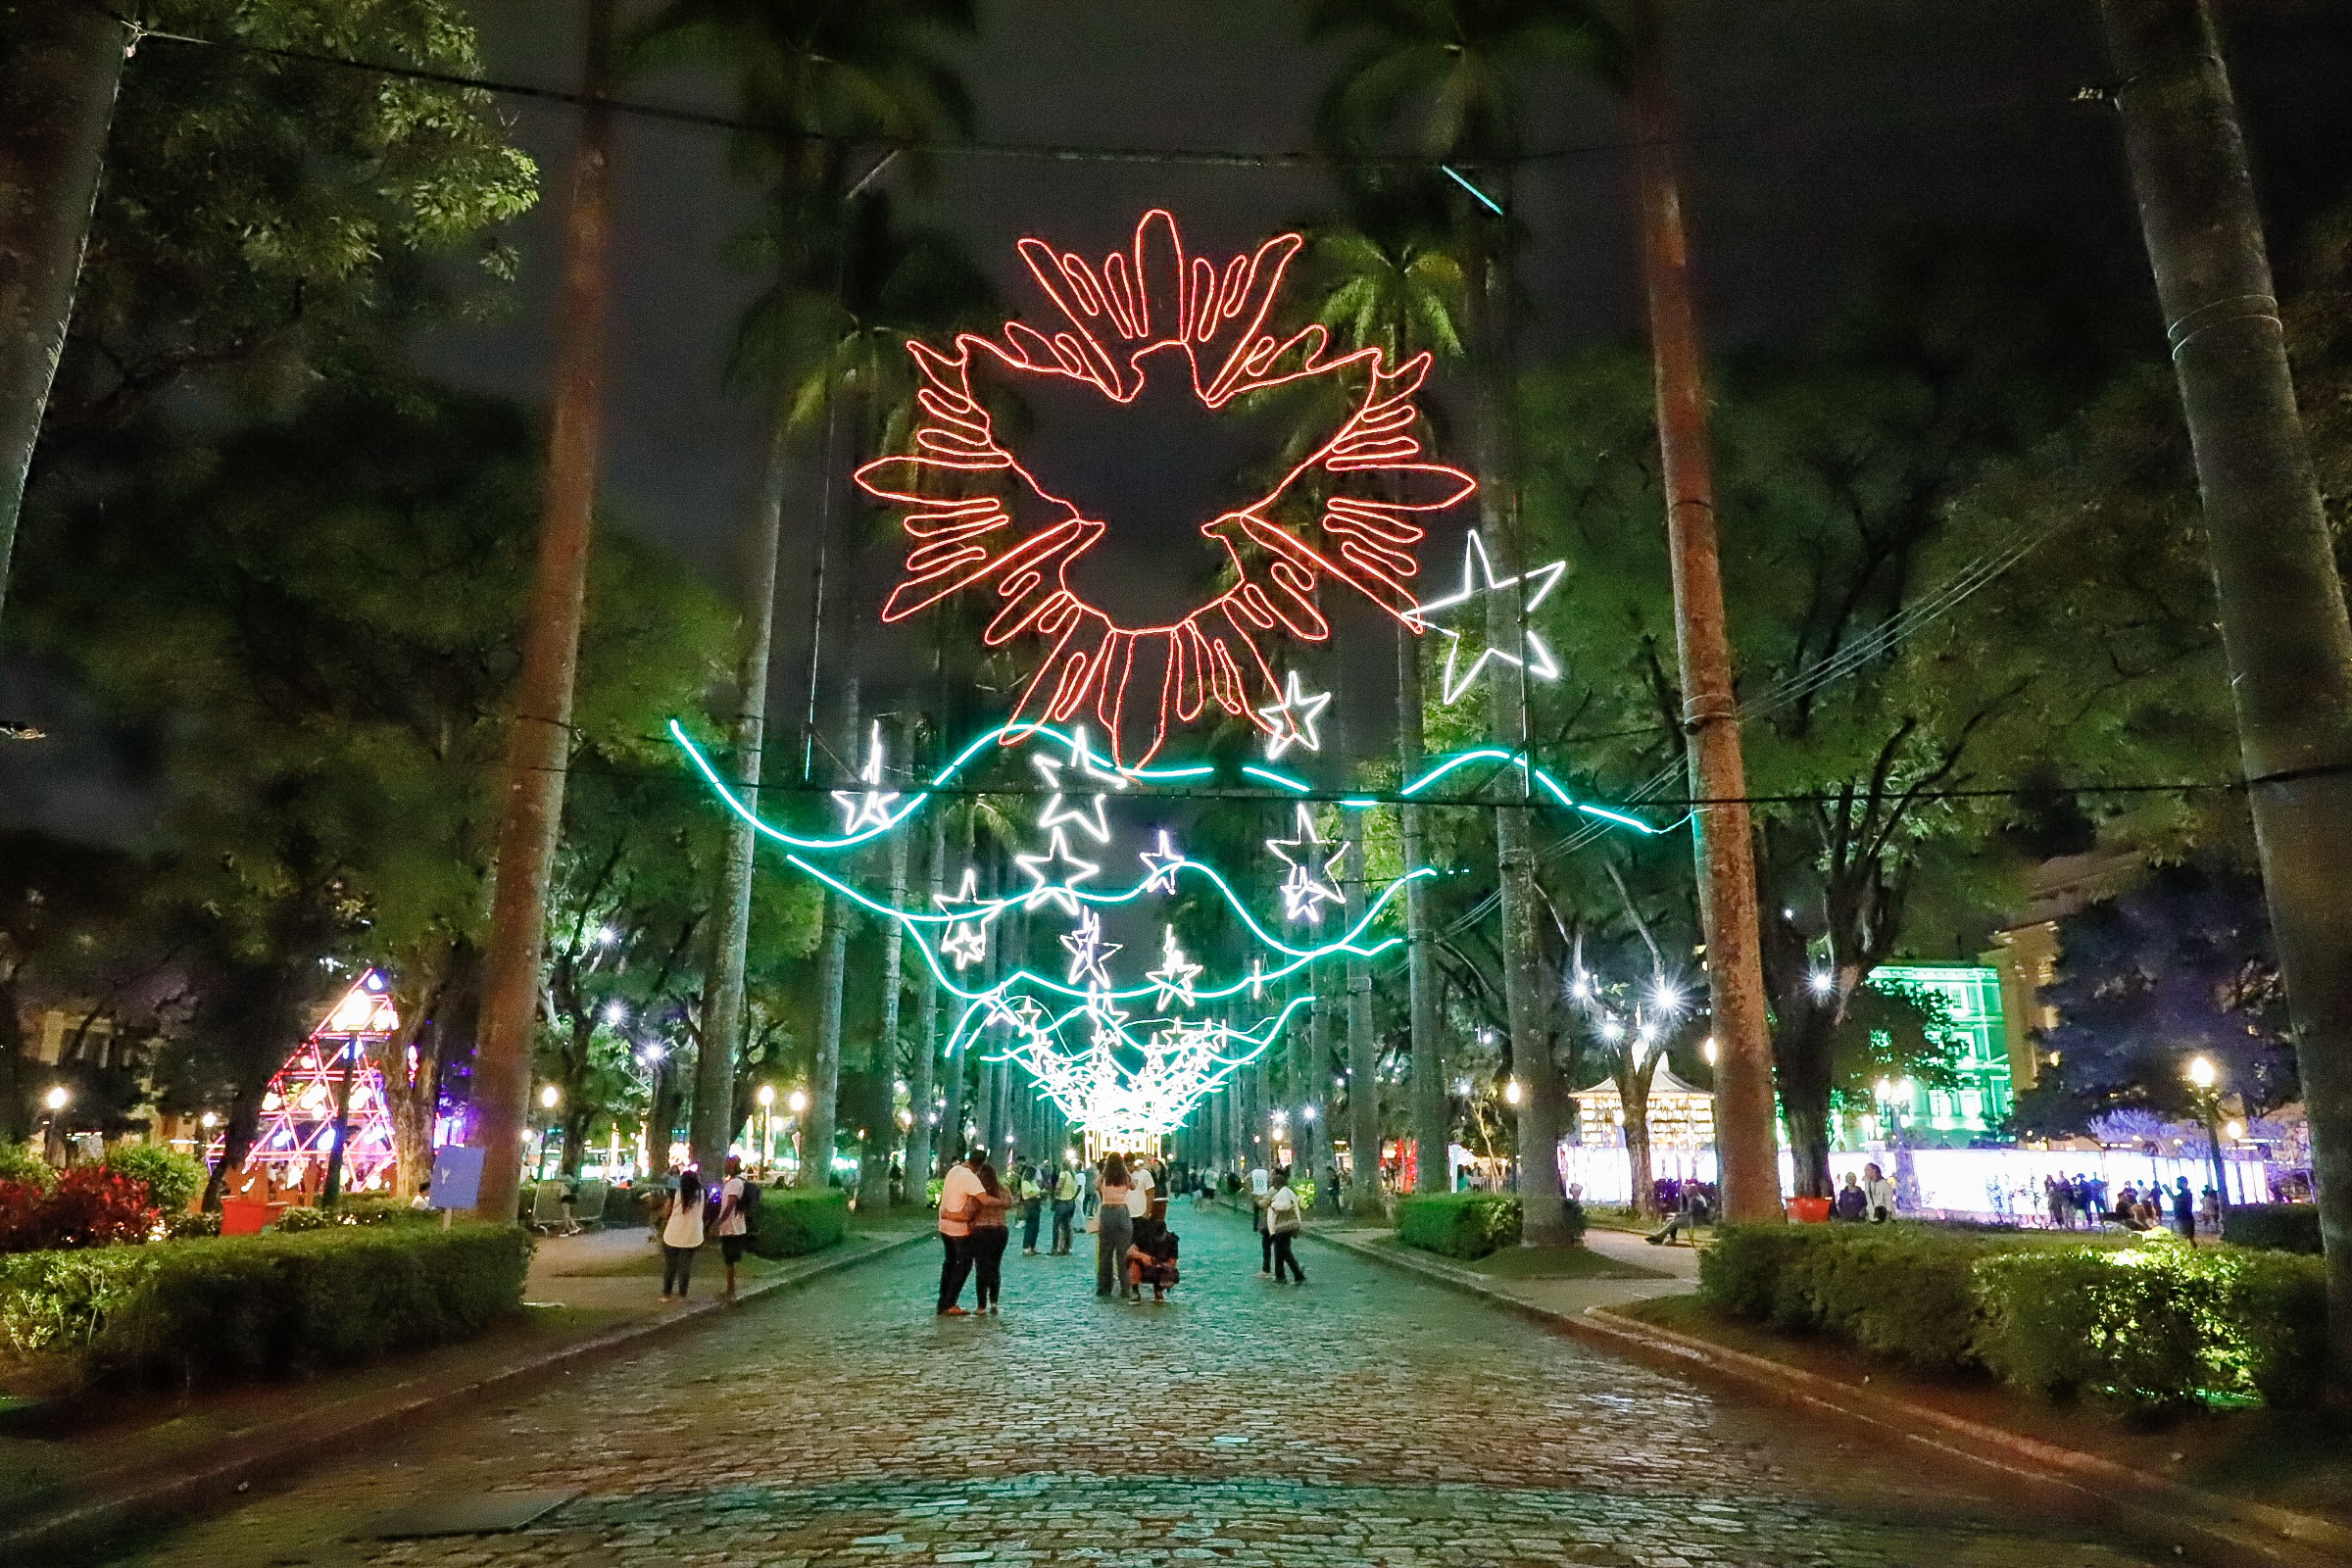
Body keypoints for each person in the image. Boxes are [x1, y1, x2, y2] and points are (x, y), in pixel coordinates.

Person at [937, 1149, 985, 1317]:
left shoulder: (954, 1170)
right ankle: (950, 1302)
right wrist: (1003, 1202)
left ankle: (943, 1302)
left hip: (944, 1226)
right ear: (979, 1165)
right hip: (959, 1229)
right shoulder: (970, 1177)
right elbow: (984, 1198)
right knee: (964, 1265)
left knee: (949, 1263)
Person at [968, 1161, 1012, 1312]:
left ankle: (981, 1305)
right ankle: (994, 1301)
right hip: (1000, 1230)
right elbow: (1009, 1203)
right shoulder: (1003, 1190)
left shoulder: (978, 1193)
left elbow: (970, 1210)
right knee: (995, 1266)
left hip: (980, 1231)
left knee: (981, 1267)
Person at [713, 1155, 756, 1302]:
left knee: (729, 1259)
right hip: (736, 1226)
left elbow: (730, 1203)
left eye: (727, 1164)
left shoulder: (734, 1183)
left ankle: (730, 1290)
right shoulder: (739, 1181)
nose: (725, 1166)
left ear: (733, 1166)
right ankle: (730, 1289)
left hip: (731, 1227)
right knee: (730, 1259)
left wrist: (719, 1221)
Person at [659, 1170, 705, 1301]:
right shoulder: (701, 1194)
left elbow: (666, 1211)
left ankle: (666, 1295)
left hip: (673, 1233)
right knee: (685, 1266)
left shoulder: (676, 1193)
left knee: (670, 1266)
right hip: (692, 1234)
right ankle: (682, 1295)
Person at [1097, 1154, 1135, 1298]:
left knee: (1105, 1253)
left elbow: (1096, 1185)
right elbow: (1133, 1186)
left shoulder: (1104, 1177)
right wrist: (1125, 1168)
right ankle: (1125, 1288)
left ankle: (1104, 1287)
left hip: (1107, 1212)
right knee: (1123, 1253)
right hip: (1121, 1212)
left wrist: (1105, 1170)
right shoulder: (1124, 1177)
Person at [1126, 1214, 1181, 1300]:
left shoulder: (1172, 1241)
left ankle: (1158, 1291)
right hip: (1144, 1267)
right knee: (1134, 1261)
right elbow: (1130, 1252)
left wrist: (1161, 1265)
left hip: (1161, 1268)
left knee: (1170, 1272)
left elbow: (1172, 1264)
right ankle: (1135, 1291)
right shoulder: (1144, 1237)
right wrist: (1143, 1257)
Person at [1264, 1168, 1305, 1283]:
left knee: (1282, 1252)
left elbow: (1286, 1206)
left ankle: (1291, 1274)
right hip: (1285, 1227)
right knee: (1282, 1252)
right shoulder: (1287, 1191)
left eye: (1274, 1183)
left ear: (1279, 1183)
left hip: (1282, 1228)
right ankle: (1285, 1274)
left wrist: (1273, 1204)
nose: (1273, 1186)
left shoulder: (1283, 1192)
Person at [1051, 1161, 1079, 1255]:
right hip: (1071, 1202)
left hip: (1063, 1201)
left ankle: (1055, 1248)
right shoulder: (1073, 1174)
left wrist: (1056, 1195)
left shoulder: (1063, 1173)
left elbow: (1059, 1185)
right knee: (1067, 1226)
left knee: (1056, 1225)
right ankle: (1066, 1247)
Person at [1018, 1165, 1046, 1256]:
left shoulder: (1033, 1182)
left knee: (1035, 1228)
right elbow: (1029, 1192)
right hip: (1030, 1205)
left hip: (1036, 1205)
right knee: (1030, 1227)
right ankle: (1026, 1248)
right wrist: (1039, 1192)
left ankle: (1032, 1246)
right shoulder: (1025, 1182)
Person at [2173, 1176, 2198, 1241]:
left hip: (2185, 1218)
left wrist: (2168, 1190)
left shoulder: (2186, 1194)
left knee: (2185, 1236)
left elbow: (2177, 1199)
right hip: (2183, 1217)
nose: (2177, 1185)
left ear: (2184, 1183)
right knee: (2188, 1237)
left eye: (2178, 1183)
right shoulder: (2185, 1193)